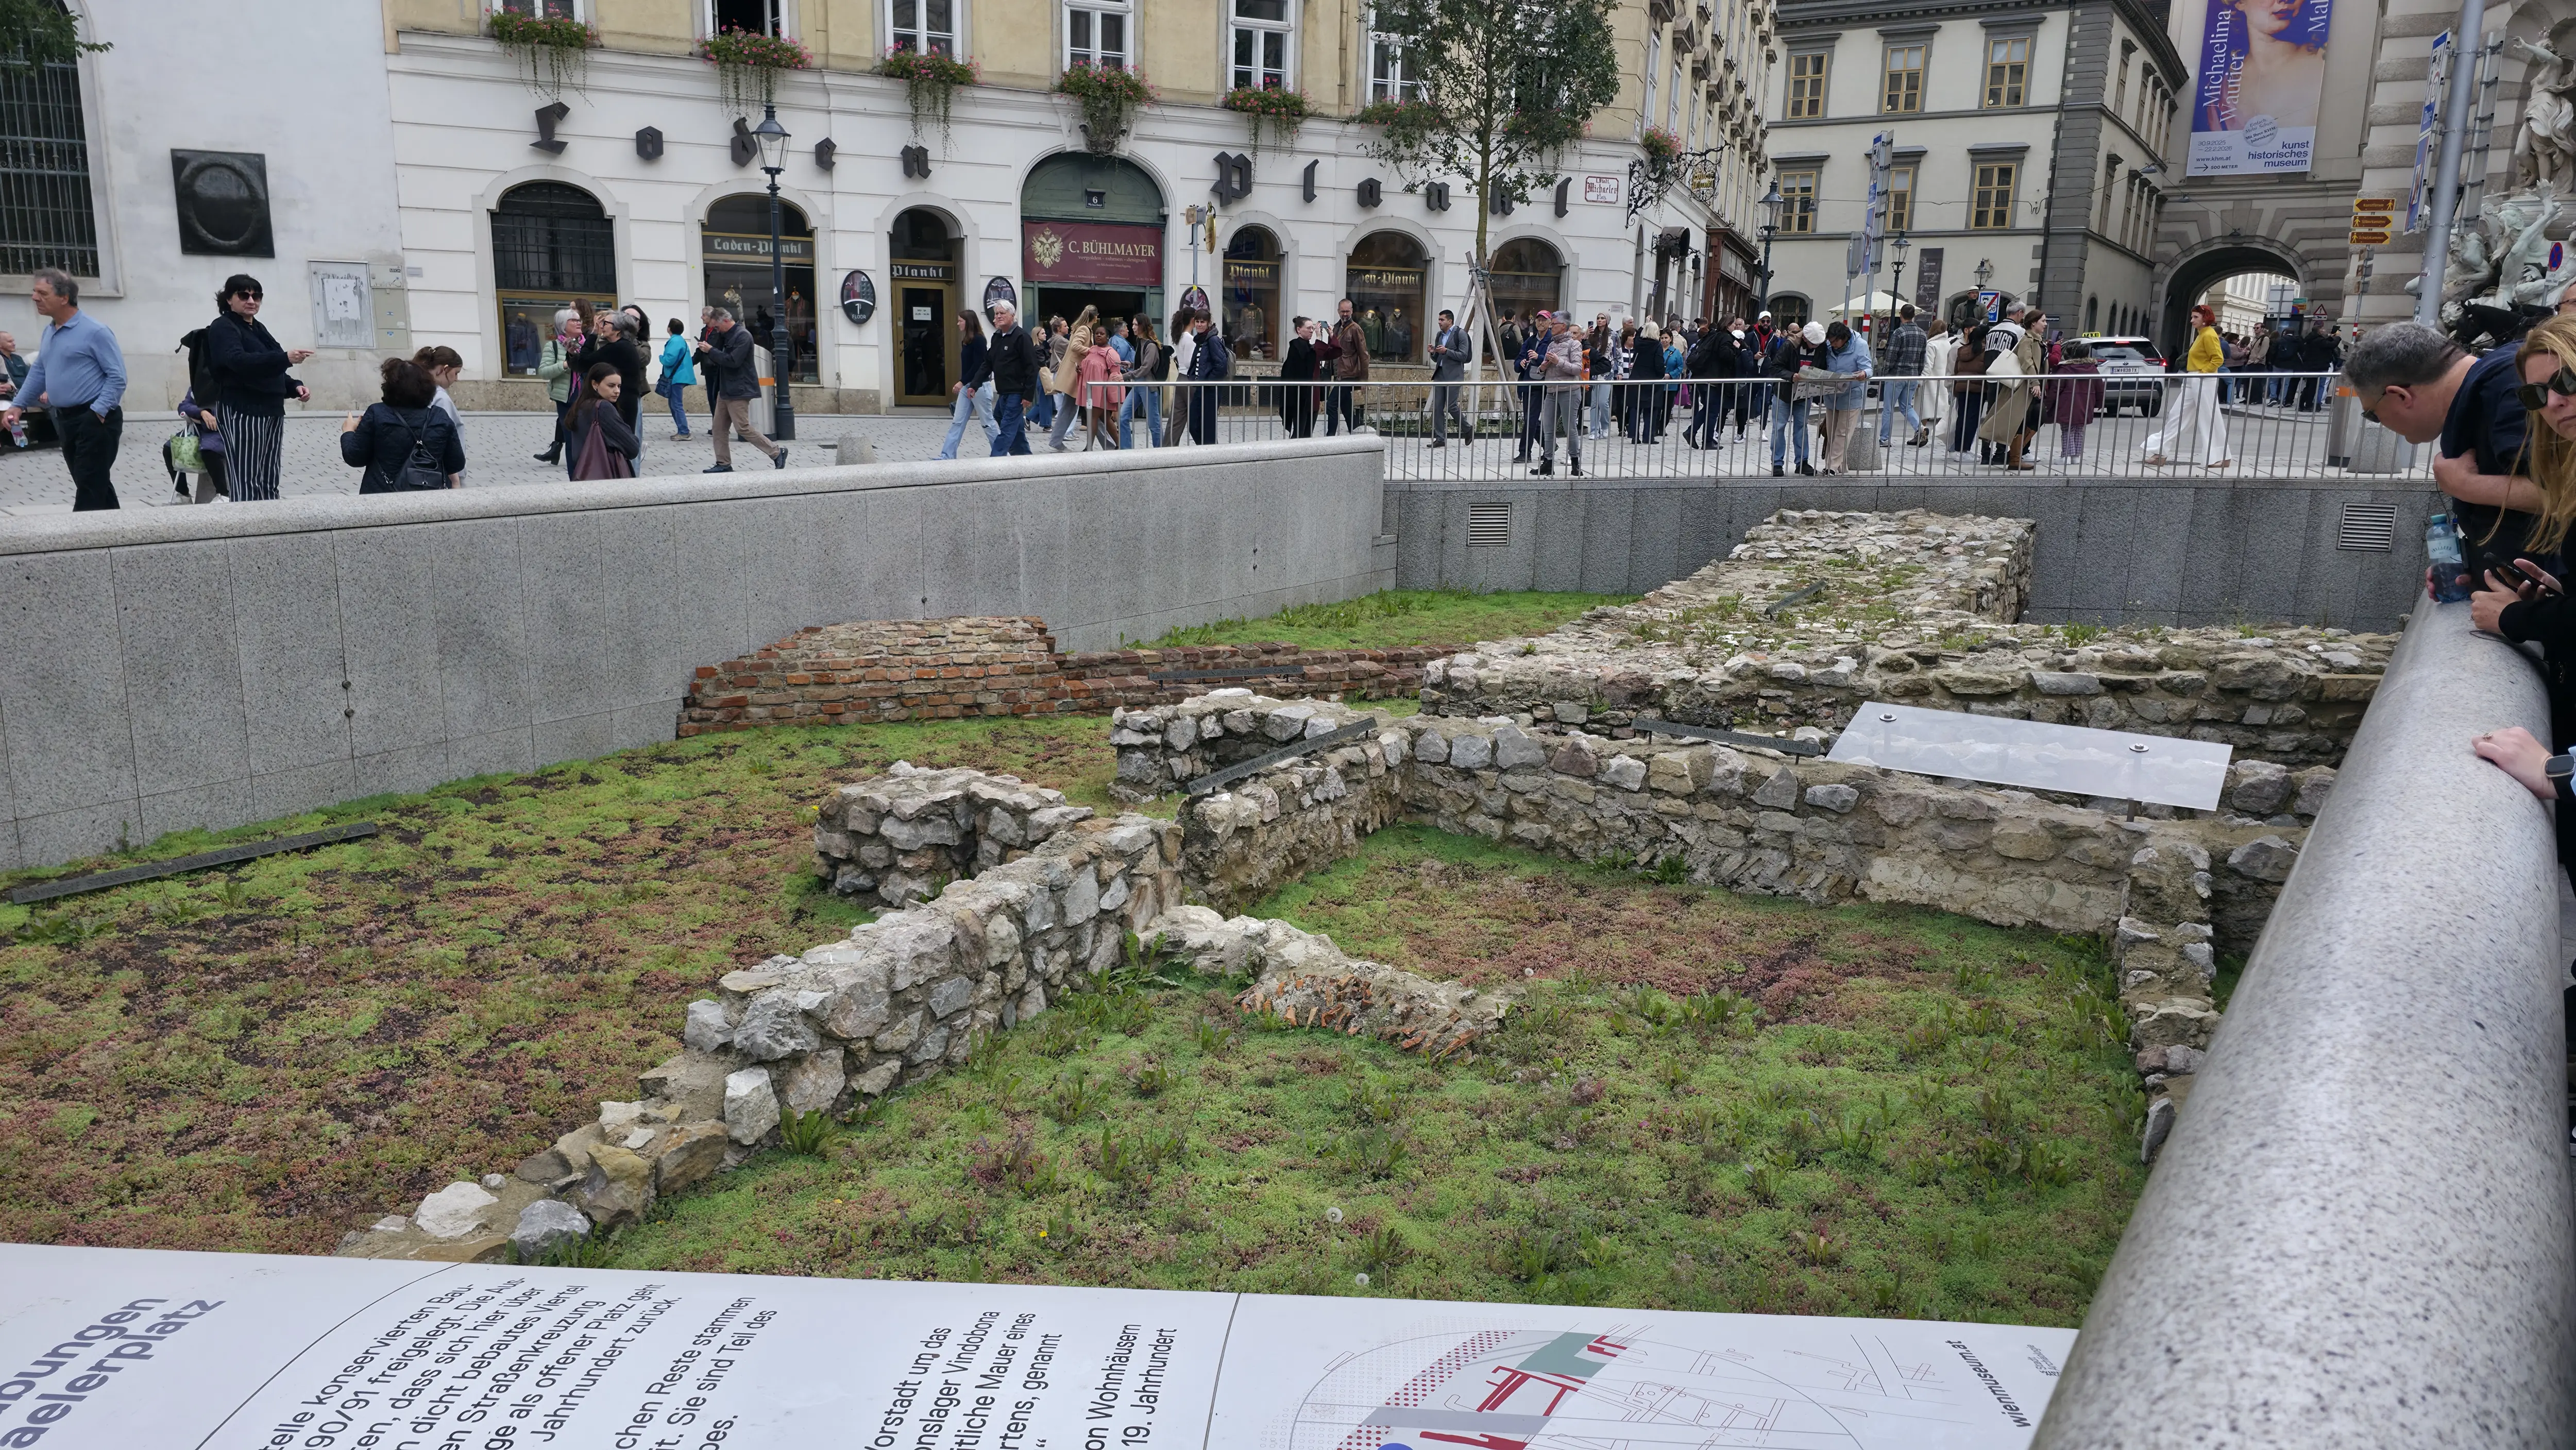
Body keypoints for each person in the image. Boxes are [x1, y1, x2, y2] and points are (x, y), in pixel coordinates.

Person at [2348, 319, 2552, 589]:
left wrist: (2467, 486)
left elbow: (2562, 494)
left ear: (2400, 396)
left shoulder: (2507, 386)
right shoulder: (2489, 386)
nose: (2378, 421)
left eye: (2372, 414)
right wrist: (2471, 565)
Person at [195, 273, 312, 504]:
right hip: (243, 410)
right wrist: (286, 358)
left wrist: (295, 387)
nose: (251, 300)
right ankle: (248, 530)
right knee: (246, 478)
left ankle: (271, 525)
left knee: (269, 477)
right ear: (229, 299)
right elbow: (239, 362)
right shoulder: (223, 327)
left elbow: (272, 367)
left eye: (256, 296)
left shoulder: (258, 328)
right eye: (244, 295)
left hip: (271, 409)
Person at [340, 356, 464, 493]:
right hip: (429, 495)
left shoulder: (377, 413)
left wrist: (349, 431)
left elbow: (355, 457)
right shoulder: (439, 415)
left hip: (382, 496)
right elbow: (456, 464)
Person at [694, 306, 787, 472]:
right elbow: (719, 355)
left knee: (743, 428)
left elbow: (732, 361)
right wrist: (708, 347)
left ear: (725, 321)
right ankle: (723, 464)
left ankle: (777, 452)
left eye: (717, 327)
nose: (716, 330)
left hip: (739, 388)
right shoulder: (725, 334)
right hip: (725, 389)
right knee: (718, 428)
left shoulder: (743, 336)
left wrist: (711, 350)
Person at [2147, 303, 2232, 468]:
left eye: (2196, 317)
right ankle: (2160, 452)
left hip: (2203, 379)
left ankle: (2219, 457)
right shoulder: (2202, 334)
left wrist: (2202, 373)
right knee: (2177, 415)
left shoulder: (2208, 335)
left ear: (2205, 319)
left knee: (2208, 418)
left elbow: (2218, 359)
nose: (2192, 321)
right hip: (2195, 378)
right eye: (2192, 317)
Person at [570, 313, 643, 468]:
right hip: (626, 400)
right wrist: (573, 354)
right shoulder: (620, 347)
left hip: (623, 401)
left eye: (605, 323)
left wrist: (594, 334)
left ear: (618, 330)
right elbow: (584, 362)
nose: (601, 325)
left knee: (623, 445)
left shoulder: (618, 348)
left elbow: (584, 363)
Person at [971, 300, 1042, 456]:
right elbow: (987, 364)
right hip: (1004, 392)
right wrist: (974, 385)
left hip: (1017, 392)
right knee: (1003, 420)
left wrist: (1028, 395)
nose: (998, 316)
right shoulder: (997, 337)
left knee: (1007, 428)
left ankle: (995, 461)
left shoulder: (1022, 337)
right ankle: (1024, 458)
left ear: (1012, 316)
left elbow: (1032, 367)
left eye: (1002, 313)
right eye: (997, 313)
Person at [563, 362, 640, 479]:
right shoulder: (603, 408)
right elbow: (633, 447)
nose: (617, 391)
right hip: (605, 475)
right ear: (595, 384)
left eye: (619, 386)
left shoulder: (581, 405)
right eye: (611, 386)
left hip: (584, 473)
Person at [937, 310, 997, 459]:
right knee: (957, 422)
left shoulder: (979, 340)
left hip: (979, 387)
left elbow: (979, 365)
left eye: (960, 321)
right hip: (967, 387)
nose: (958, 324)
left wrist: (962, 381)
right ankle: (947, 456)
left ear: (968, 322)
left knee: (988, 423)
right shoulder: (966, 341)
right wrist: (964, 383)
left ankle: (1001, 453)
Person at [1532, 312, 1586, 477]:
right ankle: (1548, 462)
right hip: (1551, 391)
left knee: (1570, 429)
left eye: (1553, 324)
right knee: (1547, 428)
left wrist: (1558, 362)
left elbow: (1578, 369)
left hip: (1569, 391)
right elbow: (1540, 372)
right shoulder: (1551, 345)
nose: (1550, 326)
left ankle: (1575, 463)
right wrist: (1543, 366)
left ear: (1563, 326)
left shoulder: (1574, 345)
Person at [1761, 319, 1815, 476]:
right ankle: (1777, 463)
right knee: (1779, 428)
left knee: (1801, 428)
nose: (1815, 347)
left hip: (1805, 394)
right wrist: (1792, 376)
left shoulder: (1821, 347)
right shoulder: (1789, 345)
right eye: (1813, 344)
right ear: (1805, 338)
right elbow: (1775, 368)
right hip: (1785, 393)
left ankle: (1802, 463)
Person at [1818, 320, 1872, 473]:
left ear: (1845, 338)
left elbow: (1868, 368)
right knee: (1832, 431)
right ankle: (1841, 467)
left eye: (1836, 341)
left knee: (1843, 432)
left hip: (1851, 395)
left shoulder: (1860, 345)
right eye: (1831, 341)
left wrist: (1864, 374)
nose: (1832, 344)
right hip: (1831, 394)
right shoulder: (1829, 345)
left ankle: (1832, 466)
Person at [1046, 304, 1098, 452]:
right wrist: (1092, 351)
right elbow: (1075, 346)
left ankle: (1056, 441)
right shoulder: (1085, 329)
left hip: (1074, 374)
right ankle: (1056, 441)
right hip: (1074, 375)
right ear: (1095, 318)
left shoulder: (1081, 328)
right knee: (1074, 409)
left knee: (1071, 409)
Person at [533, 308, 582, 464]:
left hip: (587, 397)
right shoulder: (553, 346)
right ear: (562, 325)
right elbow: (544, 372)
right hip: (566, 399)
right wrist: (566, 365)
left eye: (579, 320)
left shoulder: (588, 344)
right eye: (573, 320)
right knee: (572, 440)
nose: (578, 323)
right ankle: (575, 474)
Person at [412, 345, 466, 483]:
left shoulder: (414, 390)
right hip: (442, 472)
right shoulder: (440, 397)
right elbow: (443, 439)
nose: (457, 379)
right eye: (456, 373)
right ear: (444, 369)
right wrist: (455, 479)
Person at [1682, 317, 1739, 449]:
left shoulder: (1714, 335)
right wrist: (1736, 349)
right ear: (1728, 325)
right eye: (1734, 324)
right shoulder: (1725, 338)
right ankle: (1703, 438)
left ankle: (1699, 436)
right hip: (1714, 379)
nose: (1735, 326)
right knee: (1712, 411)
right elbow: (1725, 355)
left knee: (1709, 408)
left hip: (1703, 377)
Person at [2048, 340, 2106, 463]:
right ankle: (2076, 457)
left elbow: (2056, 388)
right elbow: (2099, 387)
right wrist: (2099, 403)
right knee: (2079, 430)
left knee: (2067, 430)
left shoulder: (2066, 369)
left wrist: (2048, 404)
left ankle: (2066, 457)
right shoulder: (2093, 369)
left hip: (2067, 404)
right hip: (2086, 404)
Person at [1878, 305, 1928, 447]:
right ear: (1914, 316)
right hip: (1912, 375)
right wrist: (1918, 374)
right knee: (1907, 407)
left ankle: (1885, 439)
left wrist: (1886, 372)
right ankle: (1921, 428)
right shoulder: (1922, 334)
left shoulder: (1899, 333)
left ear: (1901, 315)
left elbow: (1891, 355)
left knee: (1888, 408)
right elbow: (1922, 358)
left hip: (1897, 375)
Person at [1426, 307, 1475, 446]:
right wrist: (1433, 352)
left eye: (1442, 320)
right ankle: (1440, 439)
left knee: (1452, 407)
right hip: (1440, 374)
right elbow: (1437, 359)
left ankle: (1468, 429)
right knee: (1438, 407)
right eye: (1439, 320)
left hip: (1454, 375)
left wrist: (1447, 351)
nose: (1439, 322)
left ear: (1450, 321)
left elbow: (1464, 356)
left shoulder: (1461, 334)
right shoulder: (1440, 335)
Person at [1182, 311, 1230, 445]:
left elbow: (1221, 365)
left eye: (1202, 322)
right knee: (1193, 425)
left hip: (1211, 390)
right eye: (1197, 322)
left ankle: (1211, 456)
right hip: (1201, 388)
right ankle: (1206, 452)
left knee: (1208, 428)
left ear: (1208, 323)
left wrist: (1208, 382)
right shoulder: (1201, 340)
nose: (1199, 324)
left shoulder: (1213, 340)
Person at [1118, 313, 1164, 449]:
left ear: (1143, 326)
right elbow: (1141, 365)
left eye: (1135, 325)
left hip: (1147, 386)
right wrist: (1131, 364)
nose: (1132, 327)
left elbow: (1145, 369)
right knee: (1123, 417)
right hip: (1138, 384)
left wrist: (1125, 376)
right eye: (1132, 325)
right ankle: (1126, 451)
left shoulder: (1151, 345)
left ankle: (1160, 452)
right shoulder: (1140, 342)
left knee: (1153, 423)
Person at [1077, 321, 1124, 449]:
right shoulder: (1091, 350)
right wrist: (1081, 370)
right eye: (1097, 333)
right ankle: (1120, 445)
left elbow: (1116, 375)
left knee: (1092, 417)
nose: (1098, 335)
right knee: (1105, 419)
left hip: (1101, 391)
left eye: (1102, 334)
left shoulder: (1111, 353)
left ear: (1107, 337)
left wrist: (1114, 395)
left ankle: (1089, 447)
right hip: (1091, 389)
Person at [1326, 299, 1368, 435]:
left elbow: (1364, 355)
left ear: (1352, 311)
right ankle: (1357, 435)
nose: (1345, 314)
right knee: (1346, 408)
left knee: (1331, 405)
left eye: (1347, 311)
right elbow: (1332, 350)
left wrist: (1364, 380)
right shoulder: (1336, 328)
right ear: (1338, 311)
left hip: (1349, 375)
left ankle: (1330, 437)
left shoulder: (1356, 328)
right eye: (1342, 311)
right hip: (1339, 374)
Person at [1512, 318, 1550, 460]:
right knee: (1530, 419)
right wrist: (1520, 363)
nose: (1540, 323)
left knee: (1530, 419)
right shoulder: (1530, 340)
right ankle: (1548, 446)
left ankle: (1524, 453)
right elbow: (1519, 360)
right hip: (1527, 383)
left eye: (1544, 321)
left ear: (1549, 323)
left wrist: (1539, 357)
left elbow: (1551, 360)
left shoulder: (1551, 341)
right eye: (1538, 320)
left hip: (1540, 385)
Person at [1278, 316, 1319, 439]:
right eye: (1309, 328)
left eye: (1313, 328)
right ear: (1299, 330)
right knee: (1299, 433)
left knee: (1306, 433)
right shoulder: (1297, 346)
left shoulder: (1307, 346)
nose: (1312, 330)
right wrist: (1319, 340)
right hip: (1299, 398)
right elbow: (1309, 361)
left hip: (1308, 396)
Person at [655, 317, 696, 438]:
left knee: (676, 405)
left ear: (669, 329)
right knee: (675, 404)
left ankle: (684, 432)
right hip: (680, 376)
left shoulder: (675, 341)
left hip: (677, 377)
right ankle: (682, 430)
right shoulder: (680, 340)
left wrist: (661, 358)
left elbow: (669, 360)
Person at [1918, 319, 1953, 439]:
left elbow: (1928, 365)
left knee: (1923, 409)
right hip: (1943, 379)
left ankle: (1921, 433)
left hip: (1930, 381)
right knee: (1942, 409)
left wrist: (1921, 380)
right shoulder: (1948, 344)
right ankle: (1943, 433)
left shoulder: (1931, 345)